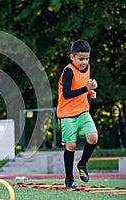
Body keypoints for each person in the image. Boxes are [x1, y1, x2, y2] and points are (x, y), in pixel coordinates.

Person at [57, 39, 98, 189]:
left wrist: (90, 91)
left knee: (93, 138)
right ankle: (69, 179)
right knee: (71, 145)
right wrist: (86, 89)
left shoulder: (87, 68)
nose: (84, 62)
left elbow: (81, 86)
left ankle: (82, 164)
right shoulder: (68, 71)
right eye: (81, 59)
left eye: (87, 59)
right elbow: (67, 94)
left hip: (82, 111)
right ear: (72, 57)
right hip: (67, 113)